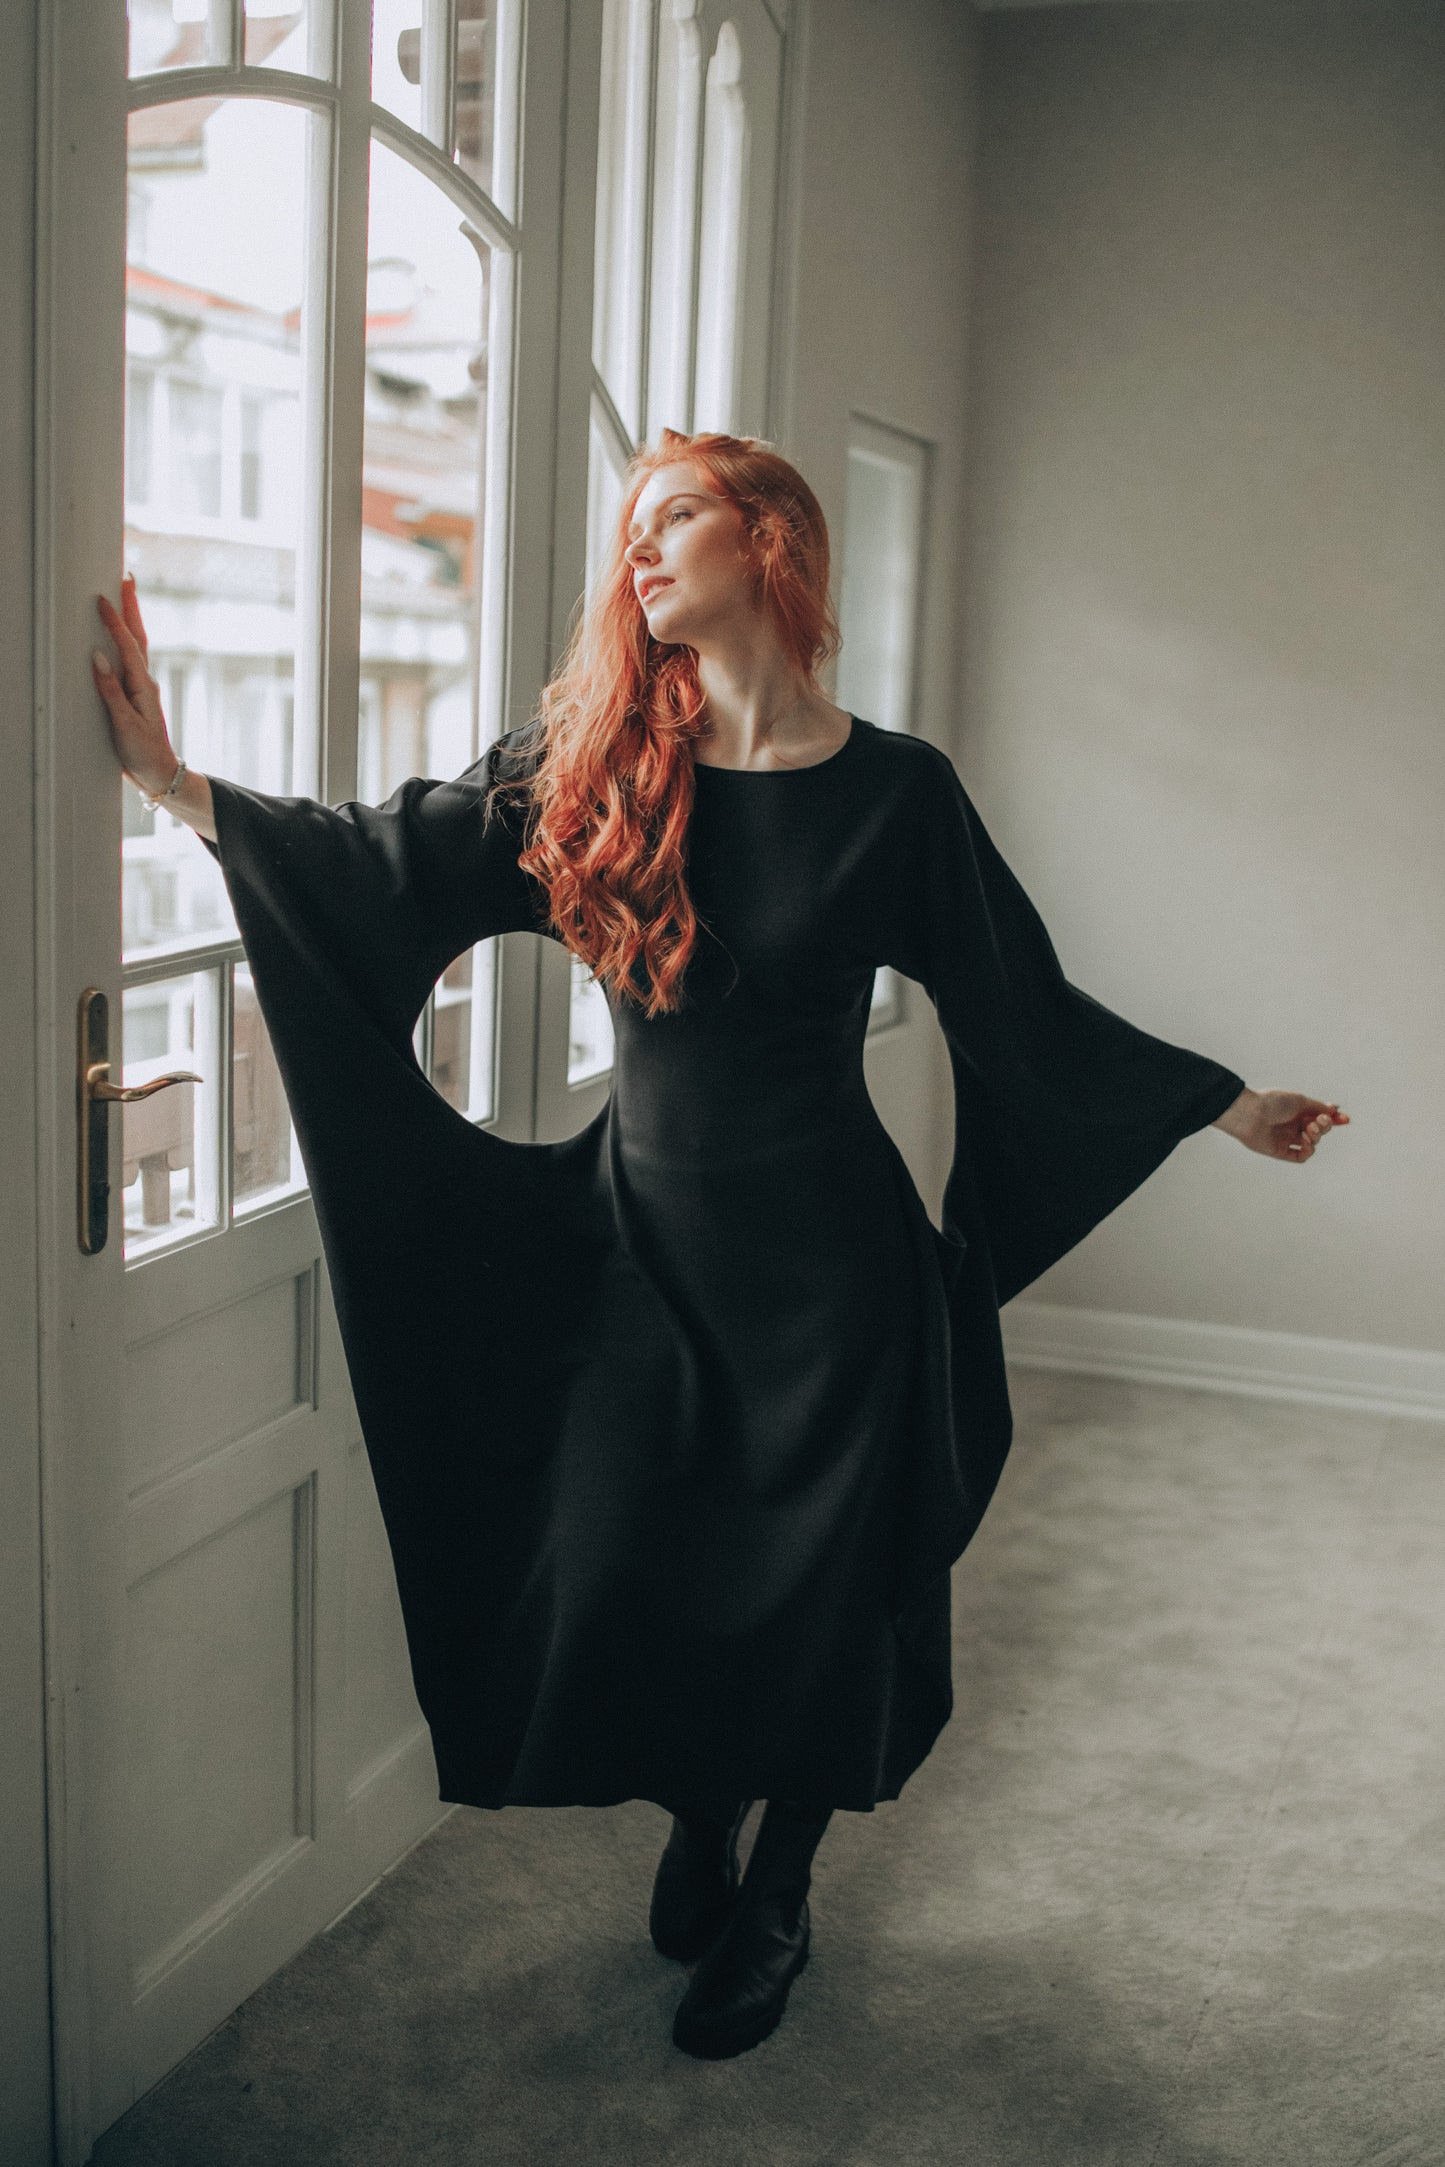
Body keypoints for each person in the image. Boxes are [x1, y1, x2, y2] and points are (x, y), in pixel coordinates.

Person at [93, 427, 1347, 2063]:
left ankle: (779, 1897)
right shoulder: (593, 764)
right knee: (640, 1561)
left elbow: (1018, 1003)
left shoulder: (897, 793)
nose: (635, 550)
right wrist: (176, 787)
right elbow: (373, 861)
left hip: (833, 1280)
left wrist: (1219, 1103)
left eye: (670, 515)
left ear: (767, 540)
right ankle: (702, 1806)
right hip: (641, 1255)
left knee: (826, 1601)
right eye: (631, 527)